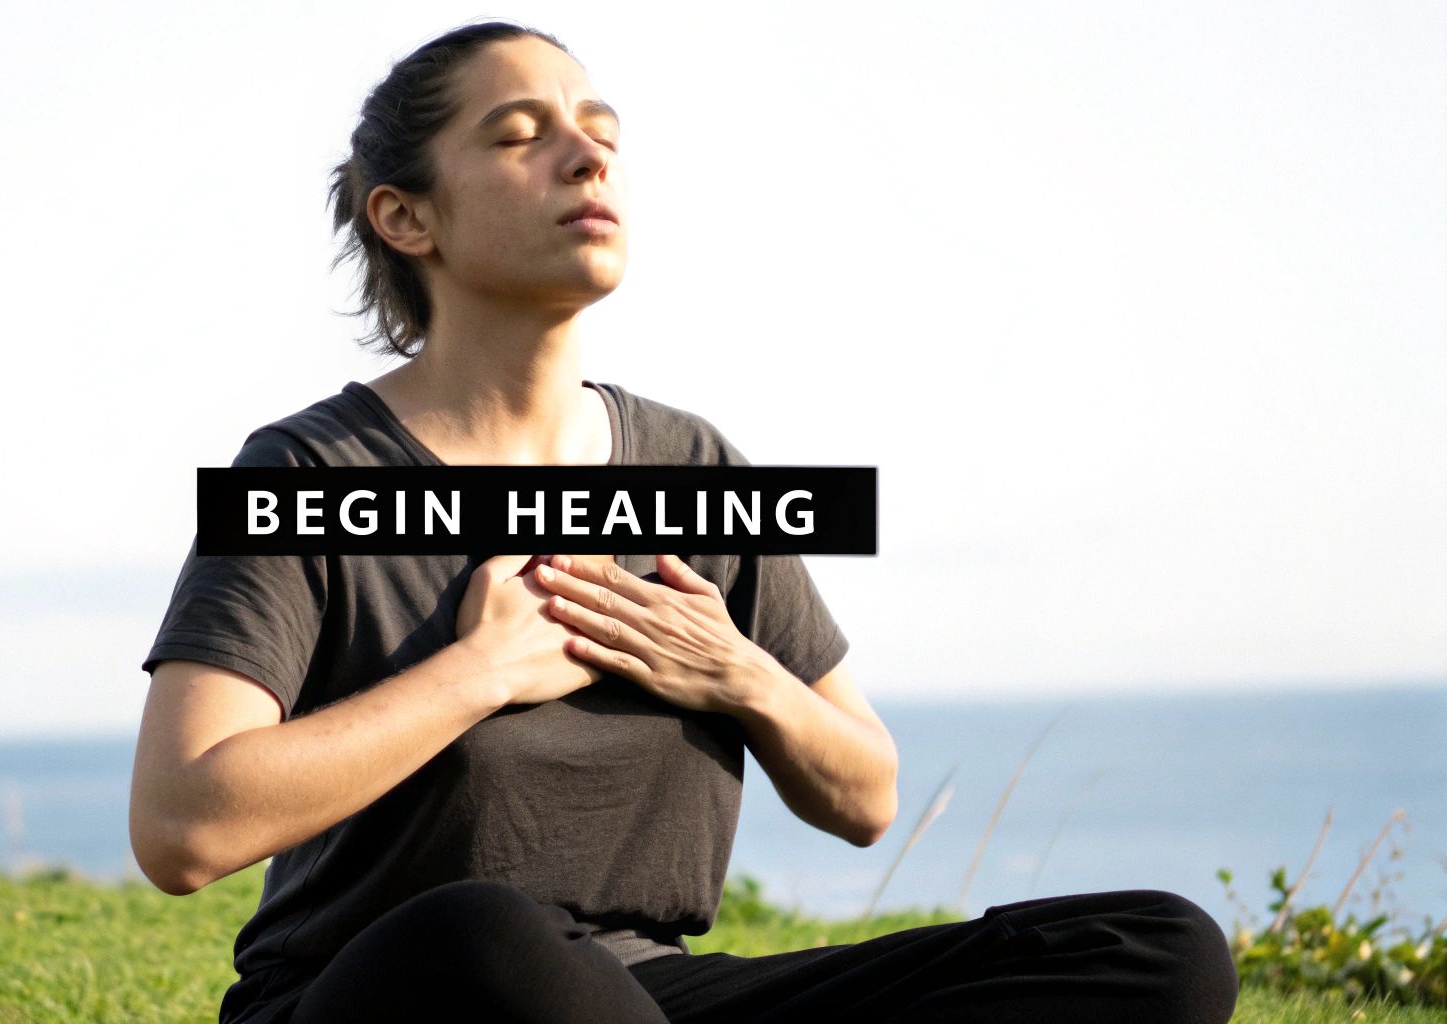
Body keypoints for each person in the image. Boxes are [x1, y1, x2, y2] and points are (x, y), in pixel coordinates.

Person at [128, 20, 1241, 1024]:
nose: (586, 155)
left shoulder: (691, 469)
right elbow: (182, 826)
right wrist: (477, 670)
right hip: (385, 992)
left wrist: (739, 673)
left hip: (640, 997)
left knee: (1152, 950)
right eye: (521, 134)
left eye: (596, 130)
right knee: (491, 937)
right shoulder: (312, 471)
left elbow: (864, 794)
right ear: (404, 216)